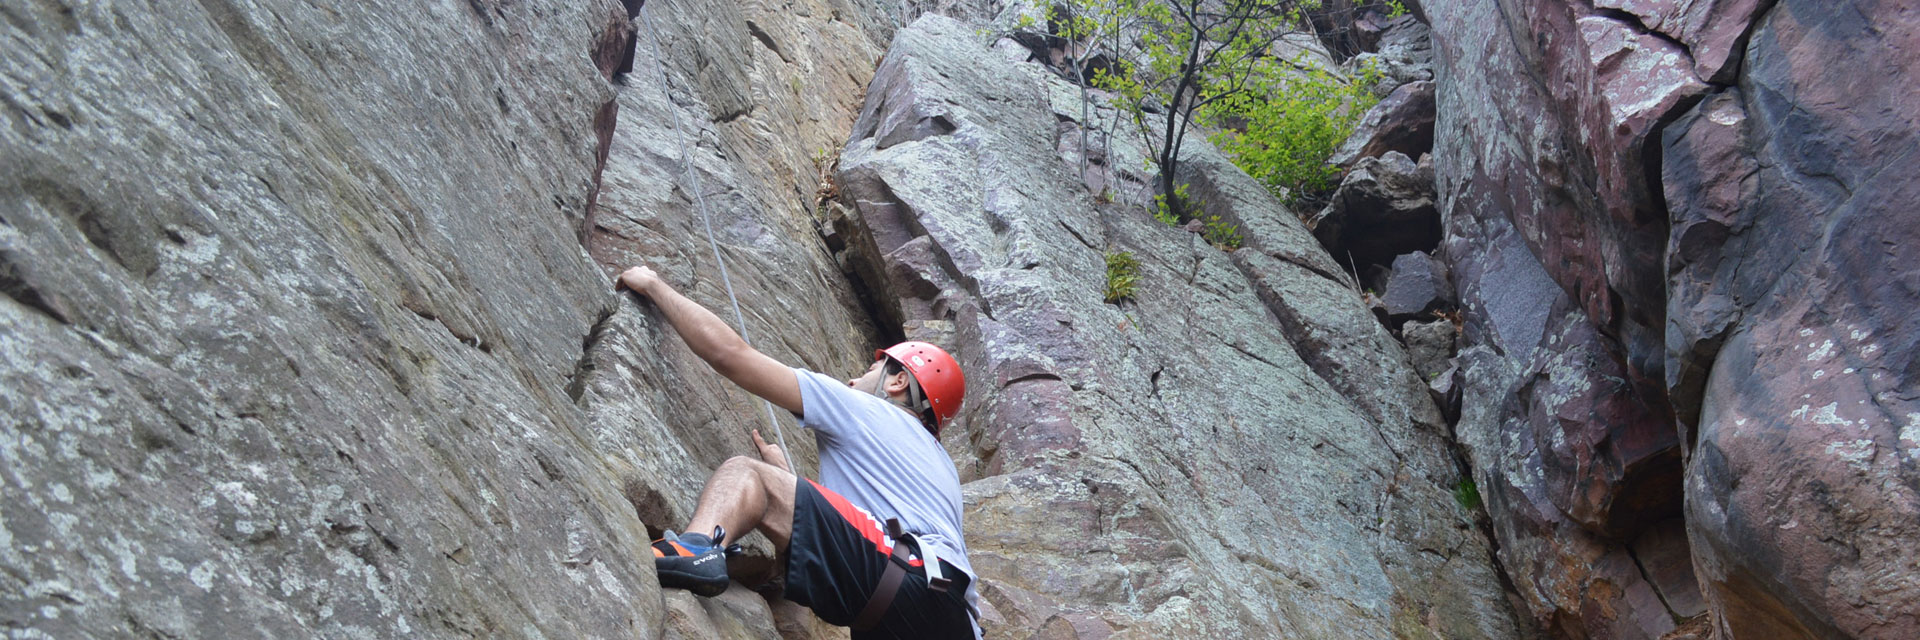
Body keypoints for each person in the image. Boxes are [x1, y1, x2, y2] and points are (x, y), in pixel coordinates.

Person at [615, 265, 979, 639]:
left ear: (899, 380)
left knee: (748, 474)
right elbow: (868, 526)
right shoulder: (942, 470)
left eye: (872, 368)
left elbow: (730, 355)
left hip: (901, 575)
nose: (854, 380)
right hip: (954, 618)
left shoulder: (863, 407)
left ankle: (696, 548)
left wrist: (655, 286)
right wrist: (789, 484)